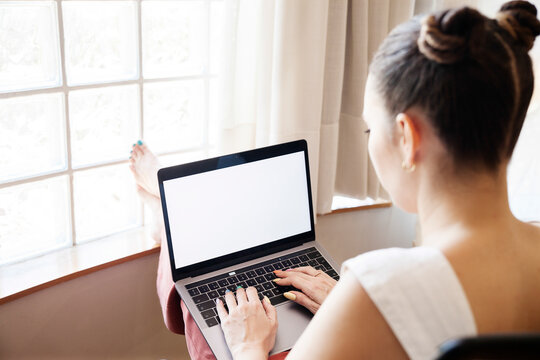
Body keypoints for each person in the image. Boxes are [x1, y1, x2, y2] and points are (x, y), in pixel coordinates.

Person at [130, 1, 540, 359]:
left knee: (220, 319)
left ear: (408, 136)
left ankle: (168, 224)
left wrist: (249, 347)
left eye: (368, 130)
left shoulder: (377, 287)